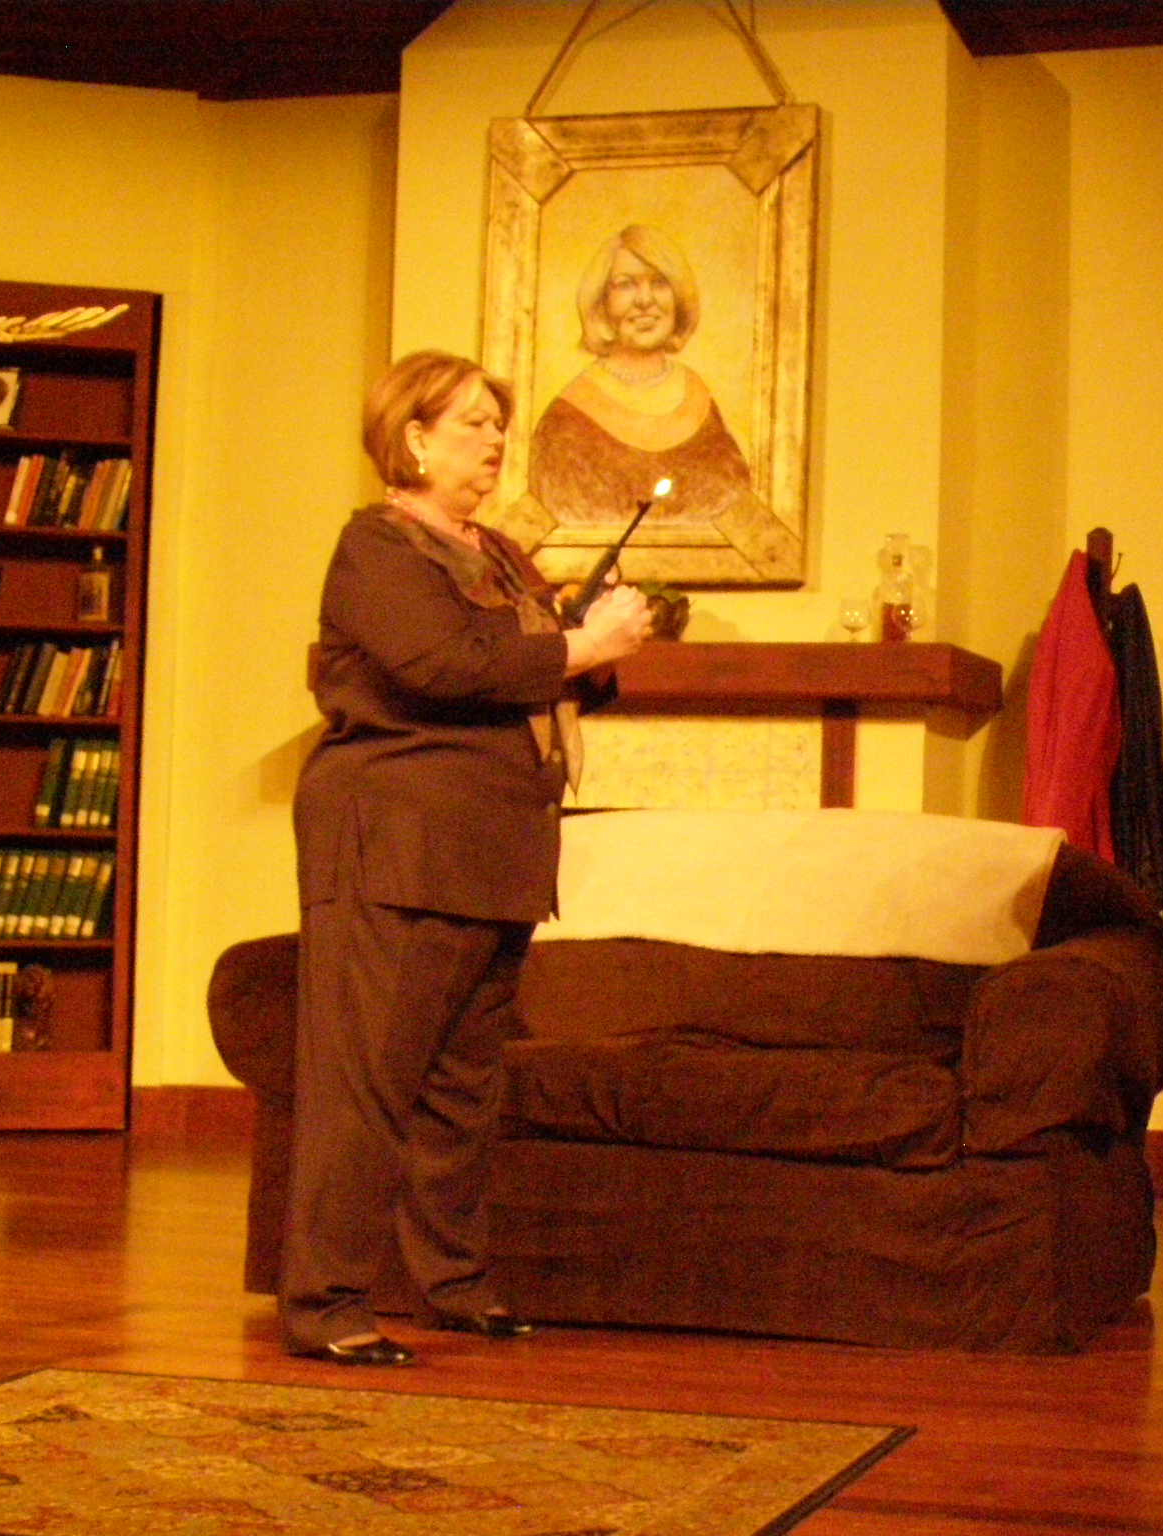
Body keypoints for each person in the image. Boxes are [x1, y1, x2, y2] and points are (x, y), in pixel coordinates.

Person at [282, 350, 654, 1366]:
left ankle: (450, 1284)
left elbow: (526, 672)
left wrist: (595, 643)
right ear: (413, 439)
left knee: (460, 1091)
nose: (495, 439)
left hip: (491, 851)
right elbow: (442, 666)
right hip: (398, 845)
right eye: (473, 422)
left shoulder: (498, 555)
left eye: (498, 422)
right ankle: (326, 1303)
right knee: (365, 1081)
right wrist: (579, 648)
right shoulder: (377, 546)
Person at [527, 224, 755, 534]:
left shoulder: (697, 395)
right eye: (626, 285)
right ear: (601, 303)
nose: (645, 300)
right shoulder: (568, 418)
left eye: (660, 283)